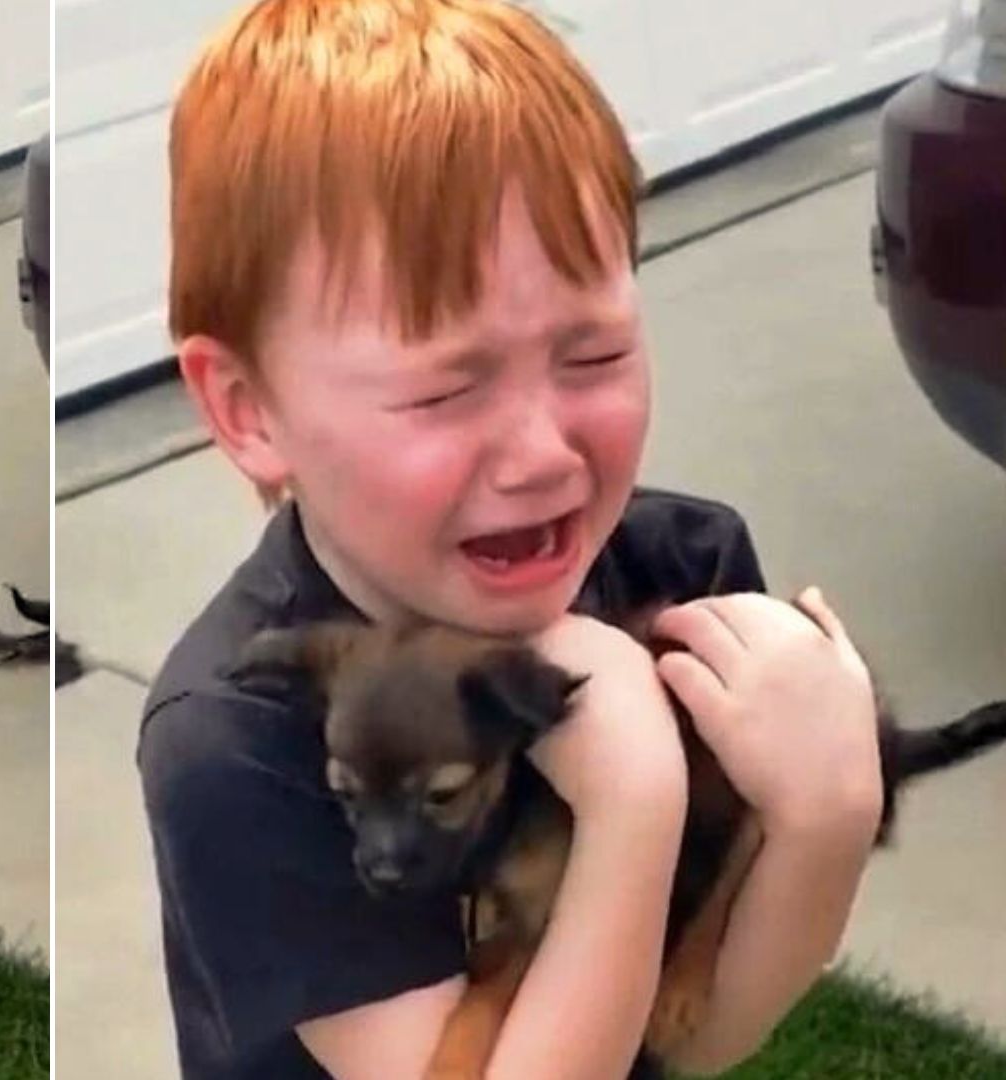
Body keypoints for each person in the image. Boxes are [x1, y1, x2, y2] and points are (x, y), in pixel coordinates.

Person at [139, 1, 884, 1077]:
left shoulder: (681, 579)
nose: (540, 453)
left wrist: (827, 818)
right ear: (251, 410)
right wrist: (633, 790)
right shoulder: (244, 734)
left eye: (592, 356)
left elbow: (690, 1035)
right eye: (446, 388)